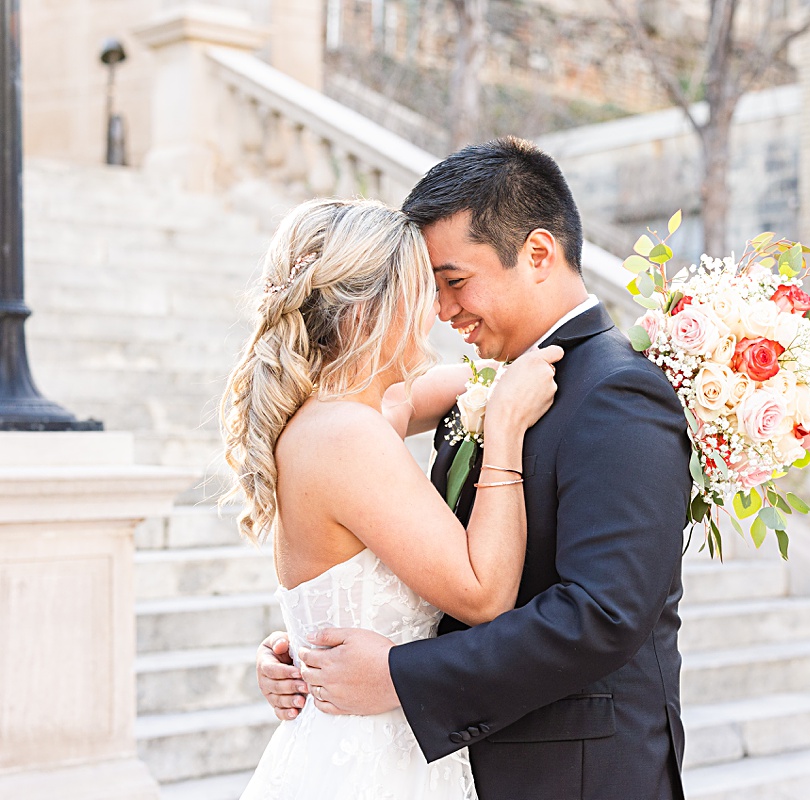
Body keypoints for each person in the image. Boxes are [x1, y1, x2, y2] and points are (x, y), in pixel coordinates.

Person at [256, 138, 694, 800]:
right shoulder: (482, 385)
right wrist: (311, 641)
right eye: (427, 288)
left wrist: (401, 673)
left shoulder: (614, 391)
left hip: (573, 778)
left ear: (538, 254)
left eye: (453, 281)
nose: (439, 310)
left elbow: (602, 613)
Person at [221, 197, 562, 800]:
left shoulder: (349, 413)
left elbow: (474, 379)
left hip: (365, 746)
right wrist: (504, 430)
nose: (437, 308)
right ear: (370, 310)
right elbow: (483, 595)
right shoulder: (347, 435)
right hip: (370, 765)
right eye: (421, 287)